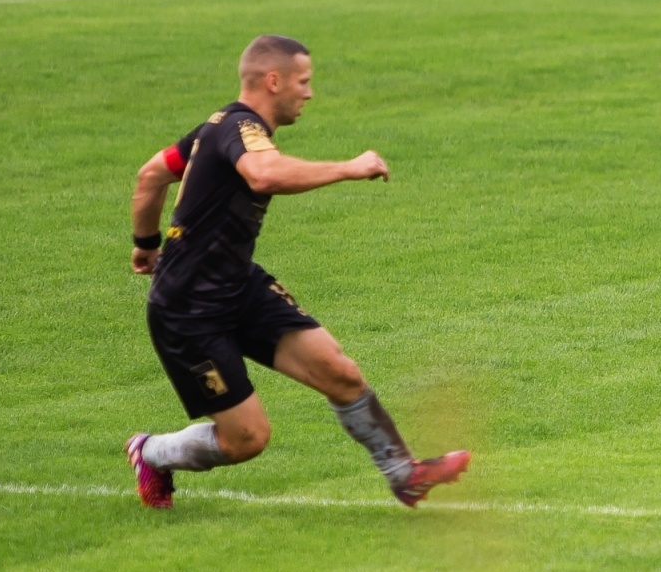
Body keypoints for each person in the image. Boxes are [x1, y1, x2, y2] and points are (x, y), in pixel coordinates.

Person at [125, 34, 469, 508]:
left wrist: (145, 245)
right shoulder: (241, 128)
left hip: (237, 283)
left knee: (339, 372)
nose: (309, 93)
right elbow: (264, 174)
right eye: (303, 81)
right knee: (247, 439)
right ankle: (150, 452)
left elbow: (152, 174)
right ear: (274, 81)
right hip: (189, 307)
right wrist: (349, 168)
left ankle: (403, 474)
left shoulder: (215, 127)